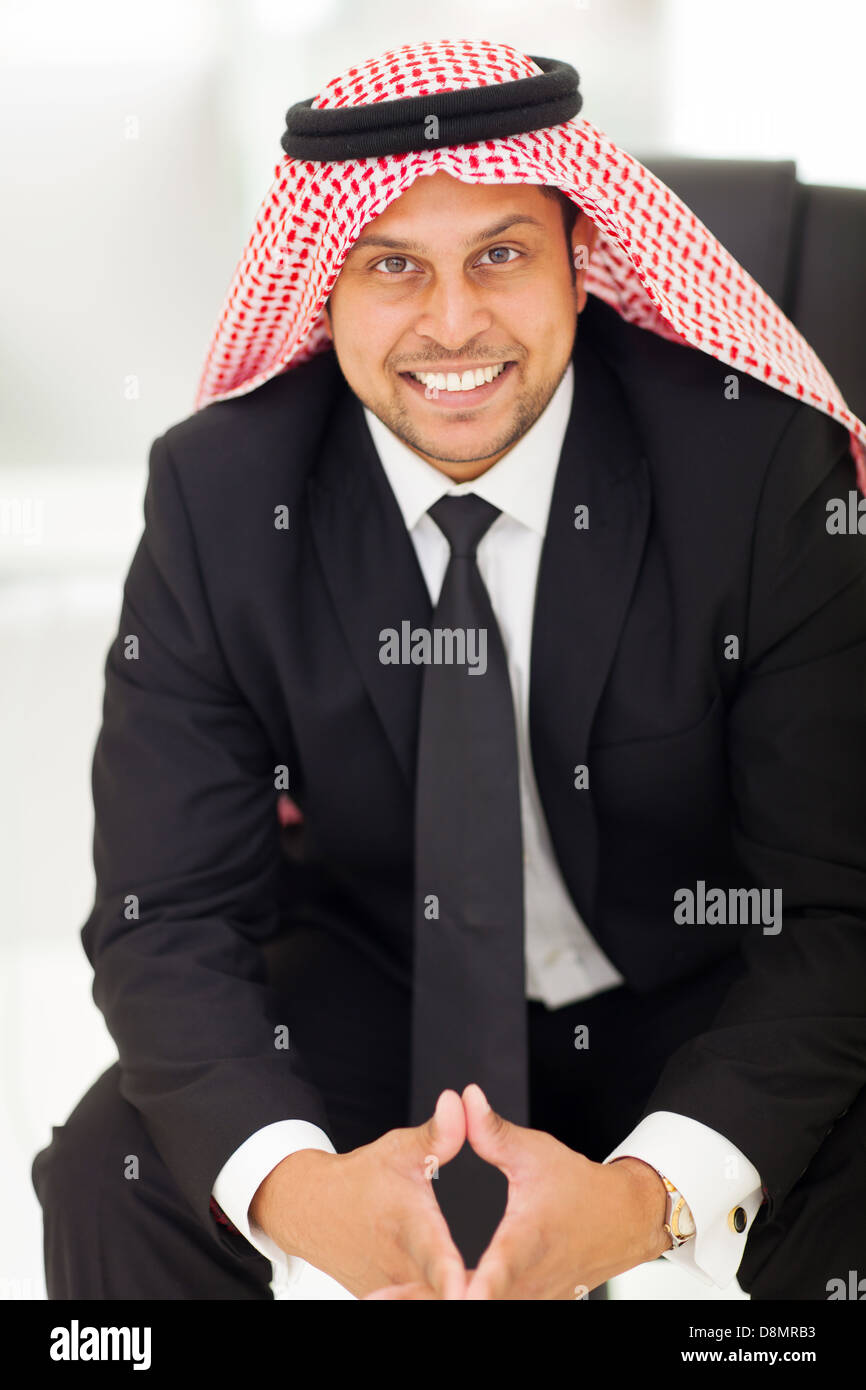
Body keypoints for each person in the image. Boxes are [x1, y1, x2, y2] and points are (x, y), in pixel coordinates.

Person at [32, 39, 866, 1301]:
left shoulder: (756, 472)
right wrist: (311, 1201)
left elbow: (836, 910)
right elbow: (169, 913)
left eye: (499, 252)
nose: (452, 321)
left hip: (701, 982)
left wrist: (645, 1203)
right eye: (390, 266)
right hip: (383, 973)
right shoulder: (220, 495)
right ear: (322, 292)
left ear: (581, 264)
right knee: (112, 1171)